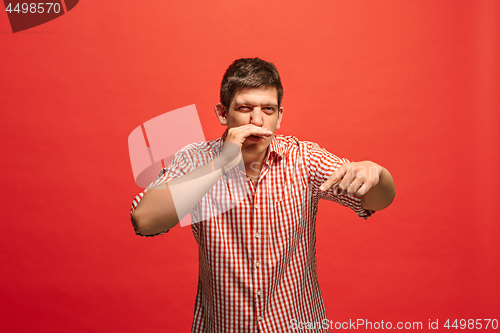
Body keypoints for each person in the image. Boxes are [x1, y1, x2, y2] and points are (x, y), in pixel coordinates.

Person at [130, 58, 395, 333]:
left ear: (279, 116)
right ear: (223, 113)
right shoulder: (195, 160)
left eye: (268, 109)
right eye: (244, 108)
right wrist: (221, 163)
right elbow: (144, 221)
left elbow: (375, 200)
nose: (257, 120)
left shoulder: (303, 159)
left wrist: (377, 173)